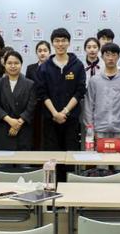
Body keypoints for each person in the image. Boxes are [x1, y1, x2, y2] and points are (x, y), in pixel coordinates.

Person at [35, 28, 86, 163]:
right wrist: (55, 113)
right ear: (52, 43)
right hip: (50, 119)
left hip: (71, 118)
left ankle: (69, 178)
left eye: (64, 41)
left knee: (70, 156)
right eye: (57, 41)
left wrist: (65, 111)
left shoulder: (78, 65)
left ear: (69, 43)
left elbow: (80, 91)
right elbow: (42, 93)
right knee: (52, 157)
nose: (60, 44)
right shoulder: (44, 67)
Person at [85, 43, 120, 150]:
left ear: (119, 56)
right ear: (102, 56)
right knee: (101, 160)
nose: (110, 58)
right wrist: (91, 130)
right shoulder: (95, 80)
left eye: (114, 55)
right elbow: (89, 107)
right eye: (107, 55)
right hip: (99, 130)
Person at [0, 51, 35, 151]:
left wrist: (18, 123)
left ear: (21, 64)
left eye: (16, 63)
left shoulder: (30, 84)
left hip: (23, 130)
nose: (13, 66)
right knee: (4, 160)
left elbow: (31, 106)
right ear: (4, 64)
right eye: (9, 63)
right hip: (4, 128)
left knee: (23, 160)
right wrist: (10, 121)